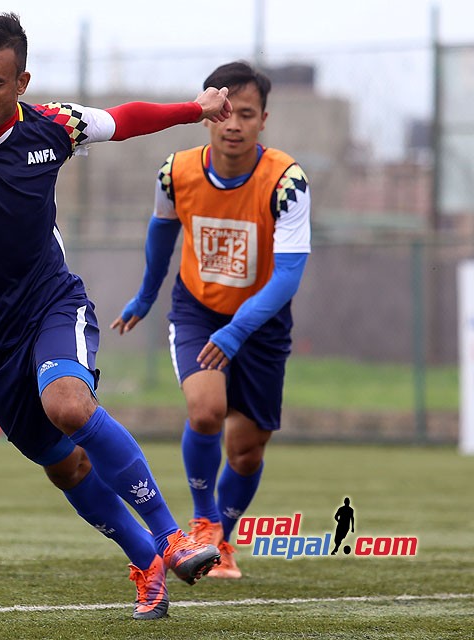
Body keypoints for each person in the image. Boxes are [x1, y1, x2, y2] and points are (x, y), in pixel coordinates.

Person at [0, 13, 231, 620]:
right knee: (66, 466)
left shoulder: (54, 125)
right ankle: (144, 557)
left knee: (66, 404)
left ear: (21, 82)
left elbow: (124, 120)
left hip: (50, 303)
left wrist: (194, 110)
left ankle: (172, 536)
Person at [111, 61, 311, 580]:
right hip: (196, 308)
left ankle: (224, 532)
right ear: (207, 115)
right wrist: (144, 296)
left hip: (262, 320)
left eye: (247, 114)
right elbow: (161, 236)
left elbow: (288, 276)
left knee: (245, 452)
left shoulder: (287, 181)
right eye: (225, 112)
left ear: (263, 119)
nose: (234, 124)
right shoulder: (174, 172)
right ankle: (202, 527)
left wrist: (239, 329)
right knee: (206, 411)